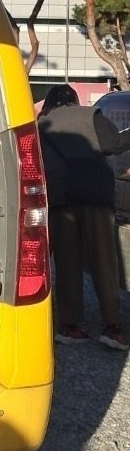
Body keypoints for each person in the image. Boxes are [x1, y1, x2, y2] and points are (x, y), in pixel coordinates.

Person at [38, 83, 130, 351]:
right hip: (94, 197)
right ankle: (112, 328)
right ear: (74, 99)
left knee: (67, 262)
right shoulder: (90, 115)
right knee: (104, 260)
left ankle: (69, 327)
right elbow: (114, 144)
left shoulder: (41, 124)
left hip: (59, 200)